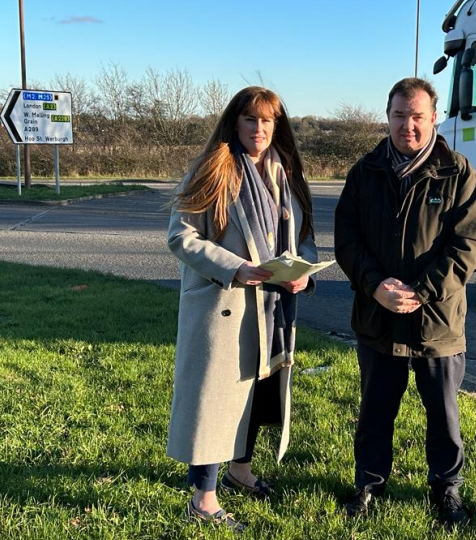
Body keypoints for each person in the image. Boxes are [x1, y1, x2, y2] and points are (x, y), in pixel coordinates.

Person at [334, 77, 476, 527]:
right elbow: (347, 240)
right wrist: (375, 285)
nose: (408, 125)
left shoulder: (458, 172)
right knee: (375, 409)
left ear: (433, 118)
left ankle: (447, 489)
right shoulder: (365, 172)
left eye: (417, 116)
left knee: (443, 414)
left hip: (437, 321)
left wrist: (421, 290)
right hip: (377, 316)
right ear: (388, 117)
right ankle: (368, 484)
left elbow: (471, 244)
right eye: (399, 116)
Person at [167, 86, 316, 530]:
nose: (259, 129)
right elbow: (181, 236)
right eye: (251, 119)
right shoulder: (214, 169)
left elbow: (302, 235)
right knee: (216, 401)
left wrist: (303, 270)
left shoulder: (284, 172)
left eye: (268, 121)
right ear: (235, 122)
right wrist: (235, 268)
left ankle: (240, 470)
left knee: (258, 393)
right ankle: (203, 499)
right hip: (224, 306)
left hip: (272, 307)